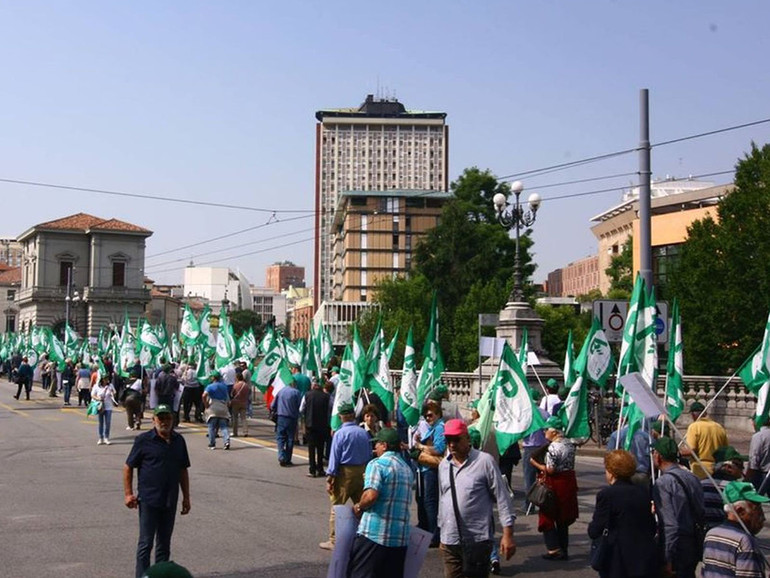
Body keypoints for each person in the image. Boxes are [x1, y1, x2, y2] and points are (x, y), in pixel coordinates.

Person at [438, 419, 516, 577]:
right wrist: (442, 534)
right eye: (448, 440)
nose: (452, 444)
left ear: (467, 438)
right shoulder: (444, 466)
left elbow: (503, 498)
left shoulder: (484, 461)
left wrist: (508, 535)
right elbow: (443, 499)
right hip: (450, 540)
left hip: (477, 540)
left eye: (456, 439)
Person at [124, 404, 191, 578]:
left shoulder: (179, 441)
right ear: (153, 420)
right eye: (160, 418)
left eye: (168, 418)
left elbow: (183, 470)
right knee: (146, 544)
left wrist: (186, 498)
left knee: (164, 545)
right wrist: (128, 493)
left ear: (173, 419)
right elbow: (128, 466)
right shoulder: (144, 440)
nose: (164, 422)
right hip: (149, 500)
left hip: (170, 500)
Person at [348, 428, 415, 578]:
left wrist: (359, 506)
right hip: (399, 538)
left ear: (384, 445)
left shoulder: (377, 464)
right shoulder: (406, 469)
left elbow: (371, 495)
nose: (374, 448)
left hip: (374, 535)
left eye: (377, 444)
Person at [587, 450, 658, 578]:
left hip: (617, 559)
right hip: (644, 556)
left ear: (611, 472)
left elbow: (595, 529)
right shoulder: (642, 492)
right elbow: (651, 525)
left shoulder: (607, 495)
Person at [320, 402, 371, 550]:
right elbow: (368, 454)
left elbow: (334, 457)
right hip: (361, 471)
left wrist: (330, 478)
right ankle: (364, 537)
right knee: (362, 506)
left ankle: (334, 540)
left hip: (345, 472)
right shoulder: (363, 433)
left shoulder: (340, 433)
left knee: (337, 506)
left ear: (341, 417)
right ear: (353, 416)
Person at [652, 436, 705, 578]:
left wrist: (667, 558)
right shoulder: (692, 477)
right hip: (693, 543)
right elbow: (701, 511)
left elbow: (670, 525)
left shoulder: (663, 483)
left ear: (658, 457)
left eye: (653, 452)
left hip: (677, 546)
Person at [530, 416, 578, 561]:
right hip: (568, 481)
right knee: (563, 518)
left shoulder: (553, 447)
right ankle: (564, 548)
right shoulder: (570, 444)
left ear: (555, 432)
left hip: (555, 483)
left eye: (547, 429)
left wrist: (536, 464)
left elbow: (550, 470)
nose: (544, 432)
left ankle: (553, 549)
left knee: (547, 515)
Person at [702, 480, 768, 578]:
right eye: (757, 510)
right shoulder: (744, 541)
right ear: (740, 511)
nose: (762, 517)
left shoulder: (711, 534)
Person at [412, 400, 445, 547]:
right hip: (424, 468)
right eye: (425, 416)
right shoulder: (434, 427)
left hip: (431, 469)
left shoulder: (439, 428)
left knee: (430, 502)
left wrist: (420, 446)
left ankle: (434, 534)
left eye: (430, 415)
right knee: (424, 500)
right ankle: (427, 528)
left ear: (438, 414)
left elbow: (438, 449)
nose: (428, 418)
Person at [702, 445, 748, 529]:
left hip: (702, 533)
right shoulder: (736, 489)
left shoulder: (701, 484)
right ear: (729, 468)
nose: (743, 469)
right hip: (727, 532)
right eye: (740, 466)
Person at [680, 400, 728, 479]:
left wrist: (679, 452)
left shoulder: (694, 427)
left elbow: (691, 451)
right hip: (717, 470)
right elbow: (726, 450)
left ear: (692, 415)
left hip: (700, 470)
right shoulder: (719, 427)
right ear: (705, 413)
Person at [522, 390, 548, 511]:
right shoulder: (545, 413)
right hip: (543, 448)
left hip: (530, 448)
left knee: (529, 479)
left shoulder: (525, 413)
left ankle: (528, 506)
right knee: (544, 478)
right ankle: (544, 503)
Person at [301, 378, 331, 478]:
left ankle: (312, 470)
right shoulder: (327, 396)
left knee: (311, 448)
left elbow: (301, 409)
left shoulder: (307, 395)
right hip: (322, 425)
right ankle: (320, 469)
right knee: (321, 448)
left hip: (310, 425)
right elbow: (330, 410)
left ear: (313, 385)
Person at [270, 376, 302, 465]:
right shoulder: (296, 393)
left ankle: (281, 456)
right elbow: (300, 406)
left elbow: (273, 405)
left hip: (281, 417)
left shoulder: (281, 391)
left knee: (280, 437)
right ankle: (288, 458)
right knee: (290, 439)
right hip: (292, 418)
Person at [203, 371, 231, 450]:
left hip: (213, 407)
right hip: (223, 407)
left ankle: (212, 444)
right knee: (224, 427)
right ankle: (226, 441)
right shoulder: (224, 386)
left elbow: (204, 395)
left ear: (213, 378)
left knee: (211, 426)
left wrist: (206, 404)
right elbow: (228, 399)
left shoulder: (210, 386)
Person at [746, 415, 770, 495]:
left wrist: (747, 477)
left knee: (755, 501)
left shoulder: (759, 436)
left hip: (762, 475)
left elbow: (754, 458)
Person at [92, 375, 117, 445]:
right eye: (105, 379)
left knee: (108, 422)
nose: (106, 380)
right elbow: (92, 395)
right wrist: (98, 398)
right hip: (100, 406)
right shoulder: (97, 386)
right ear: (102, 379)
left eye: (107, 379)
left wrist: (113, 393)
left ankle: (106, 437)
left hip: (108, 406)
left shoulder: (110, 385)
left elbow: (114, 393)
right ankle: (101, 437)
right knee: (101, 422)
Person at [229, 372, 251, 437]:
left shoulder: (236, 385)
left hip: (236, 402)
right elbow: (248, 393)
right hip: (244, 402)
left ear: (237, 378)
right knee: (243, 418)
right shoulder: (246, 385)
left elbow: (232, 394)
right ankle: (245, 431)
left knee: (235, 418)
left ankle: (235, 432)